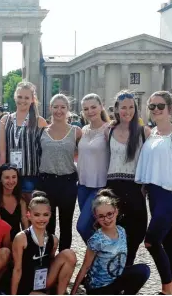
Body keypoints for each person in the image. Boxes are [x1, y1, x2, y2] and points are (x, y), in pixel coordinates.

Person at [135, 91, 172, 295]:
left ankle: (167, 288)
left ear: (170, 109)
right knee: (169, 239)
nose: (156, 110)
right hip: (154, 193)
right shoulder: (149, 133)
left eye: (160, 106)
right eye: (152, 106)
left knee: (151, 241)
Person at [70, 189, 150, 295]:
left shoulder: (122, 231)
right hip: (99, 288)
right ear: (96, 217)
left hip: (115, 280)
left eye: (109, 214)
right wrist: (73, 292)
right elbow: (85, 267)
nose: (106, 219)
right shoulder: (96, 240)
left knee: (143, 270)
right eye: (101, 216)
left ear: (116, 211)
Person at [105, 90, 151, 267]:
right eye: (123, 107)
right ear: (116, 109)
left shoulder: (143, 132)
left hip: (134, 187)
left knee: (136, 231)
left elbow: (150, 160)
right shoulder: (108, 131)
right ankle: (112, 270)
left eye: (131, 107)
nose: (127, 111)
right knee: (114, 231)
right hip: (113, 188)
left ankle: (128, 267)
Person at [11, 191, 77, 295]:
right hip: (26, 286)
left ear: (50, 215)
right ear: (29, 215)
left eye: (45, 215)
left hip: (43, 282)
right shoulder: (21, 238)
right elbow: (17, 269)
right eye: (37, 215)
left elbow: (49, 262)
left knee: (69, 255)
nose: (41, 219)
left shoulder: (53, 239)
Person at [39, 94, 81, 251]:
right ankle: (48, 257)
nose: (59, 110)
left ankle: (64, 257)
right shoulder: (42, 132)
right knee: (47, 223)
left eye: (63, 107)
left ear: (68, 109)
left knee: (66, 223)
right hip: (46, 181)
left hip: (67, 182)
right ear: (50, 108)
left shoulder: (76, 132)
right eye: (55, 107)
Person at [0, 82, 47, 205]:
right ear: (15, 97)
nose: (22, 100)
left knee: (30, 216)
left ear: (32, 100)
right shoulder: (5, 120)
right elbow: (2, 152)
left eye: (26, 98)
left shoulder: (39, 121)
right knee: (13, 215)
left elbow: (44, 151)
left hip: (31, 175)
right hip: (10, 177)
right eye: (20, 97)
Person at [76, 93, 110, 243]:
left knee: (82, 226)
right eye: (86, 109)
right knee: (92, 225)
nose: (90, 111)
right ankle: (97, 261)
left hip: (100, 185)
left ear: (101, 106)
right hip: (82, 185)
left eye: (93, 107)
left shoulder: (109, 129)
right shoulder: (83, 130)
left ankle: (103, 255)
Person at [0, 164, 29, 242]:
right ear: (0, 179)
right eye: (7, 178)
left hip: (17, 241)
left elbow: (25, 223)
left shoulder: (21, 200)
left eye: (14, 177)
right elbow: (0, 228)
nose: (11, 181)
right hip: (0, 241)